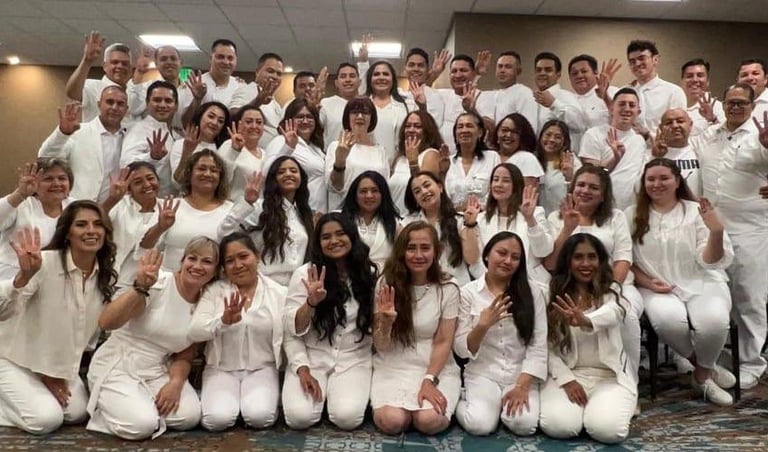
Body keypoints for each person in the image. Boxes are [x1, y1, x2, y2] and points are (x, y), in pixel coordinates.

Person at [0, 200, 117, 434]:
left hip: (55, 366)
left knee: (78, 412)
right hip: (13, 357)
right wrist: (22, 278)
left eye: (97, 224)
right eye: (81, 225)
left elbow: (80, 340)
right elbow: (3, 311)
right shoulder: (41, 263)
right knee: (46, 420)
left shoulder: (105, 278)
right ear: (67, 234)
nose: (91, 231)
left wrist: (55, 373)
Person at [626, 158, 736, 406]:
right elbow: (624, 258)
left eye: (664, 178)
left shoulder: (696, 210)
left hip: (701, 279)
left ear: (677, 181)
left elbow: (709, 260)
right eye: (650, 179)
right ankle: (706, 370)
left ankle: (701, 374)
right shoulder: (631, 215)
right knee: (668, 321)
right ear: (643, 184)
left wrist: (716, 232)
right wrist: (647, 283)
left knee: (714, 322)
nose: (657, 184)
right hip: (655, 285)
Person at [86, 239, 218, 439]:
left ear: (216, 271)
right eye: (192, 258)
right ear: (182, 262)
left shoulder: (206, 301)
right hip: (118, 364)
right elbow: (106, 322)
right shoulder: (159, 283)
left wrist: (175, 383)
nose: (198, 266)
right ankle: (109, 407)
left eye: (207, 262)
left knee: (188, 416)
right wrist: (140, 287)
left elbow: (186, 352)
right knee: (141, 426)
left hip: (157, 369)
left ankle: (135, 406)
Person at [697, 83, 768, 389]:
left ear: (753, 106)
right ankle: (722, 356)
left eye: (742, 103)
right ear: (723, 104)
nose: (736, 107)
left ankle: (752, 362)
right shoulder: (709, 136)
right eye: (731, 102)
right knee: (716, 296)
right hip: (713, 230)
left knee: (749, 297)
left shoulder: (760, 138)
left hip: (751, 229)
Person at [545, 165, 643, 386]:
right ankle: (570, 374)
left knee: (628, 315)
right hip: (569, 286)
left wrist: (610, 290)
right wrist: (568, 228)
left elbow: (623, 258)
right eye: (580, 184)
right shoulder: (555, 217)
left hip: (615, 285)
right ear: (572, 188)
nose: (585, 190)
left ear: (603, 195)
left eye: (593, 187)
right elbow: (551, 263)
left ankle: (628, 381)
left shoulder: (615, 217)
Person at [282, 213, 377, 430]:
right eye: (326, 237)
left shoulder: (368, 273)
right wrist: (311, 303)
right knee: (299, 418)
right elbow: (291, 330)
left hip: (354, 358)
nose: (334, 241)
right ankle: (320, 397)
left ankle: (335, 397)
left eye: (340, 234)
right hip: (312, 358)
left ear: (352, 236)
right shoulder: (305, 274)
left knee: (347, 419)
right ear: (318, 243)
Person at [539, 234, 636, 444]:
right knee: (560, 426)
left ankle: (601, 411)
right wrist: (567, 380)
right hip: (568, 376)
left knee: (607, 431)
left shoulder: (612, 291)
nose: (585, 263)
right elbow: (544, 347)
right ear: (568, 261)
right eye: (578, 257)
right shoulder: (551, 293)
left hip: (609, 378)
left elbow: (616, 312)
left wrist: (585, 320)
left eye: (592, 257)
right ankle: (584, 413)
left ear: (600, 261)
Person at [371, 222, 461, 435]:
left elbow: (443, 341)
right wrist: (386, 322)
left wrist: (429, 381)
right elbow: (381, 345)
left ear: (436, 251)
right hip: (393, 363)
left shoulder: (448, 287)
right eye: (411, 248)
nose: (418, 255)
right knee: (391, 422)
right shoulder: (386, 283)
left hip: (434, 366)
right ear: (402, 251)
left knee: (429, 421)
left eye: (425, 247)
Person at [188, 232, 285, 431]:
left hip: (262, 368)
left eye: (243, 256)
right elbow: (195, 332)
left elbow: (291, 335)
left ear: (257, 256)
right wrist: (223, 321)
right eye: (230, 261)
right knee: (217, 421)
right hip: (220, 368)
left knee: (260, 418)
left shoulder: (278, 292)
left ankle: (253, 402)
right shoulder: (214, 291)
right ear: (223, 267)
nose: (238, 265)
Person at [454, 232, 547, 436]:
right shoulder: (468, 293)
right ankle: (457, 404)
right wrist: (482, 326)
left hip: (520, 374)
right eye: (502, 253)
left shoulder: (532, 292)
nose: (507, 261)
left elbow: (538, 344)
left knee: (524, 425)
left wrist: (522, 386)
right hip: (483, 372)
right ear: (487, 255)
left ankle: (500, 410)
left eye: (515, 257)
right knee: (479, 425)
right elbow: (461, 349)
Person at [219, 156, 313, 286]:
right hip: (265, 286)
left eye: (293, 170)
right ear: (273, 179)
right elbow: (224, 233)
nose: (288, 174)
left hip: (296, 287)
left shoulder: (302, 214)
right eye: (281, 172)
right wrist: (246, 202)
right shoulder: (259, 207)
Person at [38, 86, 128, 202]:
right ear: (99, 104)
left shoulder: (131, 137)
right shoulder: (78, 131)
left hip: (116, 209)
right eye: (109, 102)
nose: (114, 107)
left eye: (120, 104)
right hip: (78, 207)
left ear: (126, 109)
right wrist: (62, 133)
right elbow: (45, 157)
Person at [149, 150, 233, 272]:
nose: (208, 174)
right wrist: (160, 227)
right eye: (201, 168)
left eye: (214, 170)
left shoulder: (230, 210)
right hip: (169, 282)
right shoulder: (170, 206)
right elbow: (146, 247)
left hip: (213, 284)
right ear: (189, 173)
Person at [477, 164, 552, 291]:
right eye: (495, 179)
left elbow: (543, 251)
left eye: (505, 181)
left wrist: (530, 219)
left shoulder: (536, 213)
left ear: (516, 186)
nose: (499, 184)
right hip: (491, 286)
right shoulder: (481, 219)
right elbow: (478, 261)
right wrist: (494, 281)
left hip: (531, 284)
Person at [403, 171, 483, 286]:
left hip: (458, 287)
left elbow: (472, 259)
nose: (424, 192)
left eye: (427, 185)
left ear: (440, 187)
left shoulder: (460, 221)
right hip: (422, 288)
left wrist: (470, 224)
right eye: (417, 191)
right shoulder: (407, 224)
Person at [100, 162, 173, 288]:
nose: (147, 185)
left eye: (150, 178)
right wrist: (112, 199)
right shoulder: (120, 205)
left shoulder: (168, 209)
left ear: (158, 180)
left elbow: (145, 247)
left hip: (151, 281)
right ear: (129, 188)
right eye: (138, 182)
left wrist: (161, 227)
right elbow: (95, 218)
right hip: (111, 278)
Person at [0, 159, 74, 279]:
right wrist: (20, 194)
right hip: (12, 278)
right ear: (34, 183)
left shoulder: (76, 206)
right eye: (48, 179)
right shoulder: (21, 204)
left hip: (56, 279)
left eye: (62, 178)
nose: (56, 183)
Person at [580, 88, 648, 210]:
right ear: (611, 108)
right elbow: (592, 177)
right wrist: (615, 159)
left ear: (638, 112)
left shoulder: (639, 140)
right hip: (600, 206)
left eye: (631, 105)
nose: (626, 109)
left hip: (630, 208)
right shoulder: (593, 134)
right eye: (621, 104)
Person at [264, 99, 328, 213]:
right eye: (300, 117)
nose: (305, 121)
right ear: (290, 120)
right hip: (293, 212)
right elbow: (267, 172)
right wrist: (288, 147)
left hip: (319, 212)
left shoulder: (317, 148)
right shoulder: (280, 141)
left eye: (309, 117)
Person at [325, 97, 389, 210]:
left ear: (372, 118)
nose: (360, 116)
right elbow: (334, 187)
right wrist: (340, 160)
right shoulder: (335, 146)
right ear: (347, 117)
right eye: (354, 112)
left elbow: (385, 188)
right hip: (344, 214)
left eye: (365, 112)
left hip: (374, 214)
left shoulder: (380, 151)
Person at [64, 33, 141, 123]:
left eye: (125, 63)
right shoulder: (93, 86)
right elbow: (72, 93)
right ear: (105, 66)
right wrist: (87, 61)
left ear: (131, 68)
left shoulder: (134, 94)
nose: (120, 66)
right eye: (115, 62)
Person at [120, 80, 179, 196]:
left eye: (168, 101)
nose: (162, 105)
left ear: (176, 106)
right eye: (157, 100)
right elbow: (126, 163)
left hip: (169, 200)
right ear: (147, 103)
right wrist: (151, 157)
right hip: (145, 200)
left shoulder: (177, 133)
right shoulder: (139, 129)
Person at [341, 171, 401, 271]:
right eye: (363, 191)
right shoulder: (341, 220)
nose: (369, 196)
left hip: (384, 281)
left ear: (383, 194)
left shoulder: (396, 224)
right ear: (355, 195)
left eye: (374, 191)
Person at [626, 40, 686, 134]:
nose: (637, 64)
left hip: (661, 147)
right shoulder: (625, 92)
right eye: (632, 61)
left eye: (642, 58)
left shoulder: (673, 92)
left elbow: (677, 131)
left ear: (655, 59)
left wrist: (649, 137)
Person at [388, 110, 444, 213]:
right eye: (408, 126)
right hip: (395, 218)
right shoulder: (399, 158)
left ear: (427, 131)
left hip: (415, 218)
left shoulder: (431, 154)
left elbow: (423, 189)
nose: (411, 129)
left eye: (417, 126)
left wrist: (413, 162)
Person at [444, 111, 500, 210]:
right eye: (460, 127)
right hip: (452, 219)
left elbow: (495, 192)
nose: (464, 130)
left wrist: (473, 208)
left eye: (469, 126)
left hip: (483, 217)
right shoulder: (447, 162)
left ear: (480, 132)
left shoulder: (493, 157)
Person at [531, 52, 588, 147]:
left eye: (548, 70)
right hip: (538, 156)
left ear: (558, 74)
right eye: (538, 70)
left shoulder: (566, 96)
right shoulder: (531, 99)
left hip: (563, 157)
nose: (542, 73)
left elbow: (579, 124)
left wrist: (553, 104)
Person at [229, 52, 285, 148]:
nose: (275, 76)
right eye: (270, 71)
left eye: (279, 74)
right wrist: (258, 101)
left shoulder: (275, 103)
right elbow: (232, 116)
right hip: (248, 154)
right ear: (257, 72)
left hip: (266, 155)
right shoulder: (248, 89)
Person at [362, 60, 412, 164]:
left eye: (386, 74)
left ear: (393, 79)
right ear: (370, 80)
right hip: (368, 164)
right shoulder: (361, 106)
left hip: (400, 165)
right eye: (376, 74)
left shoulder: (407, 105)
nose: (381, 77)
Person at [170, 101, 230, 183]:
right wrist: (187, 152)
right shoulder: (181, 144)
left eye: (220, 121)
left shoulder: (224, 148)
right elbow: (177, 182)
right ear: (200, 116)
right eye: (211, 116)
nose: (215, 123)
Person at [218, 106, 268, 203]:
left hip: (259, 211)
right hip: (233, 208)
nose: (254, 126)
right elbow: (220, 178)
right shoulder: (229, 145)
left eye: (259, 122)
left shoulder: (266, 153)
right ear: (239, 125)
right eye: (249, 122)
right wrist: (234, 151)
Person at [650, 108, 703, 197]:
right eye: (669, 123)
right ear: (661, 128)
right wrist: (655, 158)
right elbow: (640, 188)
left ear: (690, 124)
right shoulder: (653, 156)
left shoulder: (701, 151)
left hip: (694, 208)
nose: (675, 126)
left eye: (680, 121)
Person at [534, 120, 580, 215]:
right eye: (548, 135)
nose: (551, 139)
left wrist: (569, 178)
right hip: (537, 218)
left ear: (565, 141)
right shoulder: (532, 159)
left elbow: (580, 194)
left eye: (557, 137)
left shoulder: (571, 161)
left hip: (562, 218)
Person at [484, 51, 538, 129]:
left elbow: (530, 127)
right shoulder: (496, 95)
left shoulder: (524, 93)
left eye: (508, 67)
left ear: (518, 71)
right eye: (500, 66)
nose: (502, 70)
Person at [567, 54, 619, 128]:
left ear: (595, 72)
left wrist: (606, 97)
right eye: (575, 73)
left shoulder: (613, 92)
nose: (579, 76)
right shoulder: (567, 100)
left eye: (584, 71)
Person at [492, 113, 544, 186]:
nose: (508, 135)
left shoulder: (528, 159)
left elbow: (529, 193)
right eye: (504, 130)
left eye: (515, 132)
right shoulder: (489, 156)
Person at [401, 48, 446, 130]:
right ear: (405, 68)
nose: (416, 69)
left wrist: (423, 108)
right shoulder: (398, 94)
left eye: (420, 65)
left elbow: (434, 128)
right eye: (411, 65)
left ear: (428, 70)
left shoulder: (435, 96)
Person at [319, 63, 363, 148]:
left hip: (361, 157)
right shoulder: (326, 103)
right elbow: (315, 127)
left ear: (359, 82)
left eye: (352, 76)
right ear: (336, 83)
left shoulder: (366, 105)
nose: (348, 80)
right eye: (343, 76)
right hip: (333, 157)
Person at [680, 59, 725, 136]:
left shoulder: (719, 108)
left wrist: (712, 119)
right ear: (682, 81)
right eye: (689, 76)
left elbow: (725, 138)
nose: (695, 80)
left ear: (708, 81)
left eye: (700, 75)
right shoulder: (673, 104)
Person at [736, 59, 768, 124]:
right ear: (737, 80)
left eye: (755, 73)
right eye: (744, 75)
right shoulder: (731, 103)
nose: (750, 78)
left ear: (765, 79)